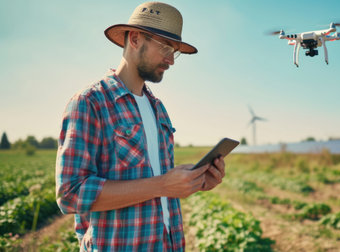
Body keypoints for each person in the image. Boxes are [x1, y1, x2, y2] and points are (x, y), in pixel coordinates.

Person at [55, 2, 225, 251]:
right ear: (134, 38)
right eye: (166, 47)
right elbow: (70, 193)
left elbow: (156, 178)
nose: (171, 60)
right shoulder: (90, 102)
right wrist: (163, 185)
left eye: (175, 51)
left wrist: (196, 181)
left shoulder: (158, 108)